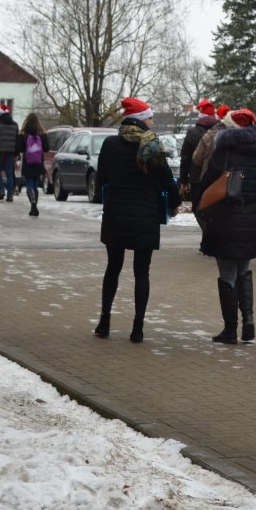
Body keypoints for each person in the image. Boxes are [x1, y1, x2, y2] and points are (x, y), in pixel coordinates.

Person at [94, 97, 179, 343]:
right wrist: (174, 203)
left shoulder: (110, 144)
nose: (152, 122)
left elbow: (102, 179)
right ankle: (137, 328)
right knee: (142, 272)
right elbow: (166, 179)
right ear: (142, 120)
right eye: (150, 118)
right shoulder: (151, 145)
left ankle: (104, 322)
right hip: (145, 216)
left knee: (113, 268)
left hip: (116, 215)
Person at [195, 109, 256, 344]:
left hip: (225, 222)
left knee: (227, 274)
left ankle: (230, 330)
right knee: (244, 271)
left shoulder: (224, 152)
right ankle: (249, 321)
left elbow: (207, 184)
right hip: (251, 221)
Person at [179, 99, 218, 198]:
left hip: (196, 178)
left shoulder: (192, 133)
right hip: (215, 179)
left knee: (197, 205)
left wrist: (184, 180)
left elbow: (185, 158)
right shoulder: (221, 132)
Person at [20, 113, 49, 217]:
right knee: (35, 186)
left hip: (28, 162)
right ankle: (34, 207)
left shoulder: (24, 133)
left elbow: (20, 148)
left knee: (29, 185)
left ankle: (33, 205)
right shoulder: (42, 133)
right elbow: (46, 148)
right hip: (38, 162)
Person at [192, 105, 232, 178]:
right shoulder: (237, 134)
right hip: (230, 178)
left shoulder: (209, 134)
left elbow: (197, 158)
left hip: (209, 176)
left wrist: (206, 163)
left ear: (217, 116)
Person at [0, 104, 21, 201]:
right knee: (10, 173)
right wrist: (16, 153)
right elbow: (17, 140)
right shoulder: (15, 124)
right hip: (11, 153)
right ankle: (10, 195)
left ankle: (1, 191)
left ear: (1, 113)